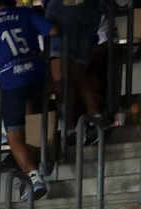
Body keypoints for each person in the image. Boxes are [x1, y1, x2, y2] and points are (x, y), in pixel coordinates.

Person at [0, 0, 52, 199]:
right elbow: (52, 31)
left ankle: (35, 178)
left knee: (15, 138)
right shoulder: (25, 13)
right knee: (29, 100)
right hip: (38, 76)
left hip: (12, 82)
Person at [44, 0, 106, 137]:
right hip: (91, 7)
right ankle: (95, 118)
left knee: (59, 70)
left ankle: (69, 130)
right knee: (76, 69)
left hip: (62, 6)